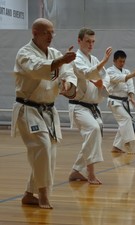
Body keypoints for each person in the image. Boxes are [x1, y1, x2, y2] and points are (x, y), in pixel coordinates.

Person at [11, 18, 77, 209]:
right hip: (28, 108)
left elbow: (68, 72)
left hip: (48, 109)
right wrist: (61, 61)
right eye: (46, 32)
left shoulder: (55, 53)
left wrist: (68, 84)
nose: (51, 36)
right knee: (42, 146)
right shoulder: (24, 53)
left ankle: (28, 194)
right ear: (34, 33)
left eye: (52, 32)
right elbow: (37, 69)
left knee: (48, 153)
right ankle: (43, 194)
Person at [68, 28, 112, 185]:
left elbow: (106, 78)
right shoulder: (75, 59)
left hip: (92, 107)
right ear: (79, 41)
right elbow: (87, 73)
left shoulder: (94, 59)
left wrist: (102, 83)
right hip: (78, 106)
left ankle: (76, 171)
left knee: (95, 134)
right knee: (93, 129)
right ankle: (91, 173)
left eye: (93, 42)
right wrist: (104, 62)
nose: (91, 44)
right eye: (87, 41)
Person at [106, 50, 135, 153]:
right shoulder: (109, 71)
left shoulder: (127, 72)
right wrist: (132, 75)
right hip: (114, 101)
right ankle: (128, 144)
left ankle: (116, 147)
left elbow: (130, 85)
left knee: (124, 123)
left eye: (123, 61)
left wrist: (131, 97)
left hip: (124, 101)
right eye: (120, 61)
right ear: (114, 61)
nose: (122, 63)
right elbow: (118, 79)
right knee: (126, 119)